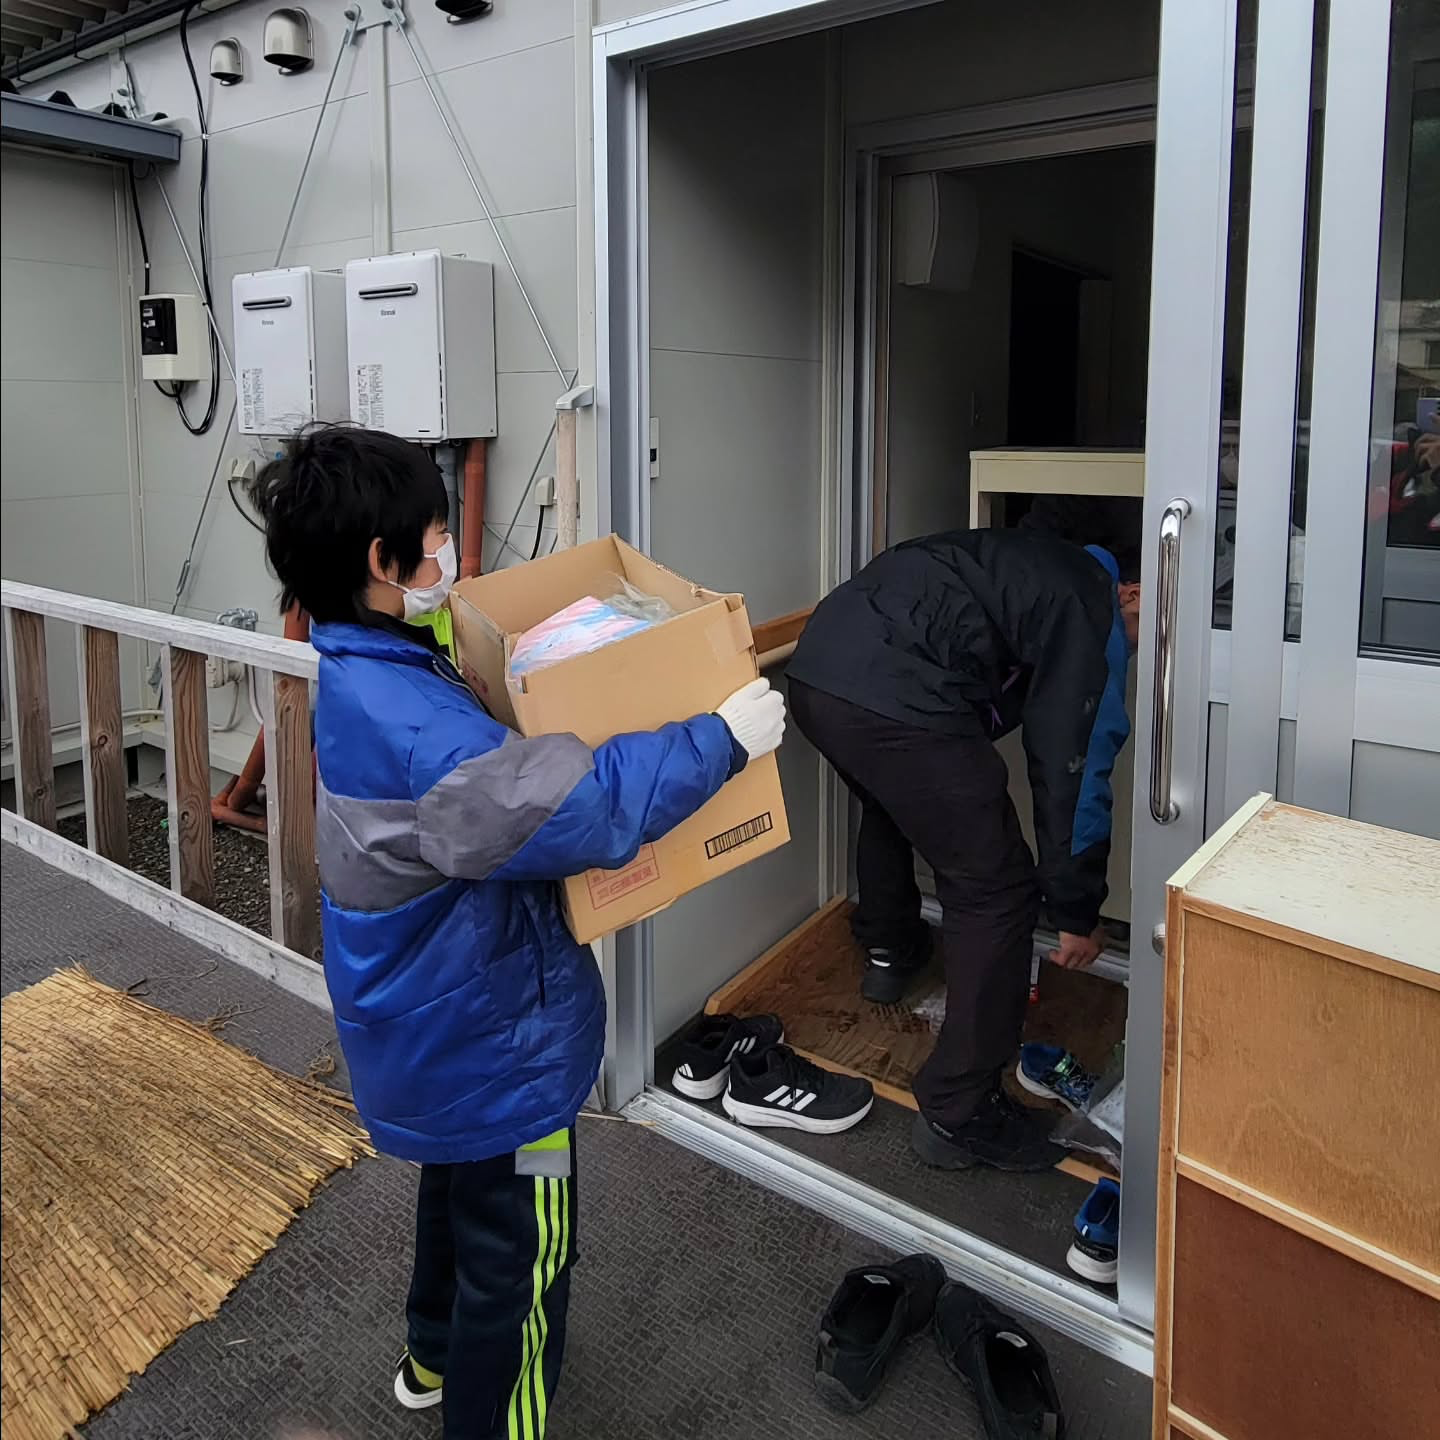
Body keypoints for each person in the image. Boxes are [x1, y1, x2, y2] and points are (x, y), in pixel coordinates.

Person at [247, 425, 785, 1440]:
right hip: (500, 1043)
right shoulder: (424, 729)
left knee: (459, 1191)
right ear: (382, 561)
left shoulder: (368, 662)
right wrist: (721, 740)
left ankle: (430, 1358)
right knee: (524, 1259)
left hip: (437, 1025)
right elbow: (580, 810)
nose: (451, 549)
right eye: (435, 533)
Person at [787, 528, 1139, 1173]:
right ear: (1133, 595)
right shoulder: (1090, 606)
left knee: (895, 804)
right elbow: (1075, 766)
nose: (1140, 650)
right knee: (996, 892)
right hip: (896, 694)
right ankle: (960, 1109)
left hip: (817, 676)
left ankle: (890, 950)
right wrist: (1076, 908)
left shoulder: (1031, 562)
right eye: (1150, 632)